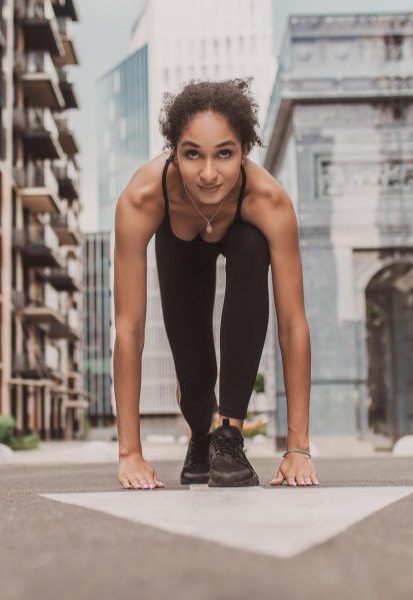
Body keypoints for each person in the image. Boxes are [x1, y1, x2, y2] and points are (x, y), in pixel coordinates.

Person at [112, 78, 318, 489]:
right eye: (193, 155)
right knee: (196, 380)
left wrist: (298, 448)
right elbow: (129, 328)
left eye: (224, 154)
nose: (208, 174)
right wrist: (130, 453)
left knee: (249, 243)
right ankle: (201, 434)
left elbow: (293, 323)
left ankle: (228, 435)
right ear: (174, 151)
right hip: (179, 248)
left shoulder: (269, 201)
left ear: (244, 151)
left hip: (244, 244)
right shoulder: (143, 198)